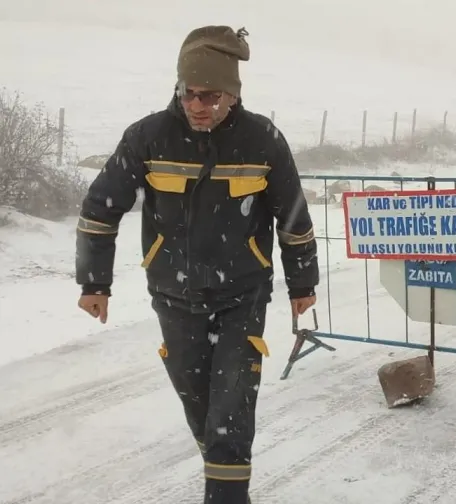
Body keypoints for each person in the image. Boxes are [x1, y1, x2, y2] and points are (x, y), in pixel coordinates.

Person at [74, 25, 319, 503]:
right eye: (189, 93)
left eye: (210, 95)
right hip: (174, 295)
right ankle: (225, 469)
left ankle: (226, 493)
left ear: (233, 94)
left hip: (242, 295)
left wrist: (302, 283)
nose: (196, 105)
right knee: (201, 407)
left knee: (231, 408)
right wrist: (94, 282)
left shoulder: (262, 140)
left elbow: (293, 217)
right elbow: (100, 208)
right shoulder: (148, 137)